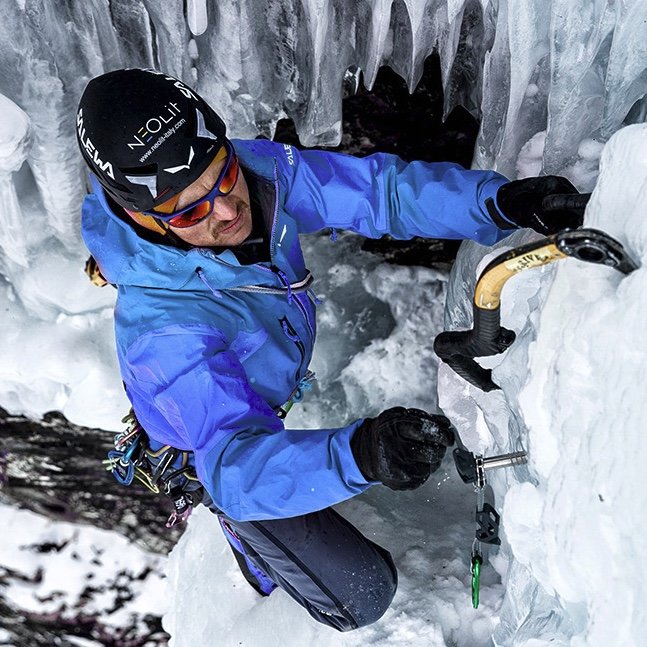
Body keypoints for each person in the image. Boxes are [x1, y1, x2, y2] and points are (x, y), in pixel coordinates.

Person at [77, 68, 582, 631]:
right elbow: (236, 467)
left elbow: (376, 193)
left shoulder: (254, 174)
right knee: (361, 595)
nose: (226, 209)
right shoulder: (165, 335)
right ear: (139, 216)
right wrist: (359, 455)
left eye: (222, 174)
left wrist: (496, 205)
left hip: (253, 399)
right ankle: (255, 577)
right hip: (214, 454)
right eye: (192, 211)